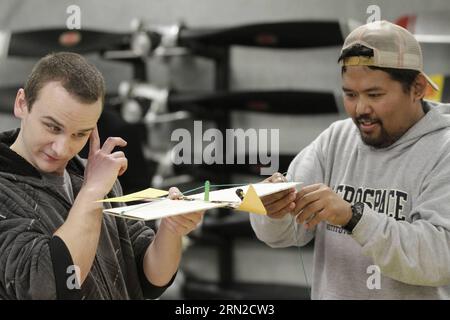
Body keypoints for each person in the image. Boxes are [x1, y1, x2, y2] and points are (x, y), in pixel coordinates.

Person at [250, 20, 450, 299]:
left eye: (375, 94)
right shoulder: (336, 139)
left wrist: (352, 216)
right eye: (350, 94)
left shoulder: (444, 149)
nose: (360, 109)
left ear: (417, 88)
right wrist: (273, 211)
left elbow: (439, 259)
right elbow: (283, 235)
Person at [0, 52, 203, 299]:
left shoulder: (95, 178)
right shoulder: (93, 186)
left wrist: (170, 229)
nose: (62, 148)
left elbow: (149, 279)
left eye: (80, 134)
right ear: (22, 103)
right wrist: (92, 193)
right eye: (52, 127)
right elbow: (50, 285)